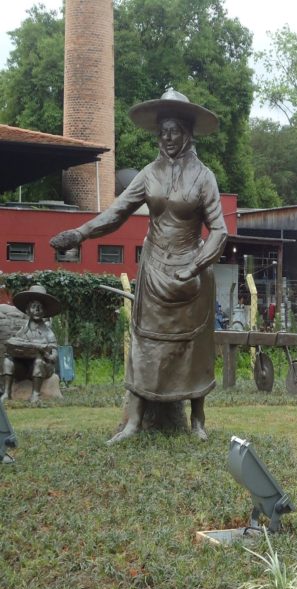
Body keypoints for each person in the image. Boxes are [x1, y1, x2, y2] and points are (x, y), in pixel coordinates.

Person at [51, 88, 228, 444]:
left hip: (190, 272)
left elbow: (219, 231)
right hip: (154, 273)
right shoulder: (149, 173)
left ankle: (198, 419)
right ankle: (134, 421)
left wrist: (196, 265)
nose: (167, 137)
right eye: (162, 130)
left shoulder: (203, 176)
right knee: (144, 344)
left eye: (173, 130)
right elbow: (117, 214)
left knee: (193, 347)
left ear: (187, 132)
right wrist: (80, 233)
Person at [1, 285, 60, 406]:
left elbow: (54, 356)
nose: (37, 310)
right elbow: (12, 343)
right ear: (27, 310)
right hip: (24, 367)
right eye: (34, 307)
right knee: (8, 360)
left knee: (38, 361)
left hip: (43, 367)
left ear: (44, 312)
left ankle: (35, 395)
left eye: (40, 307)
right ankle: (7, 393)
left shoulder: (48, 333)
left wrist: (45, 353)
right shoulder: (22, 331)